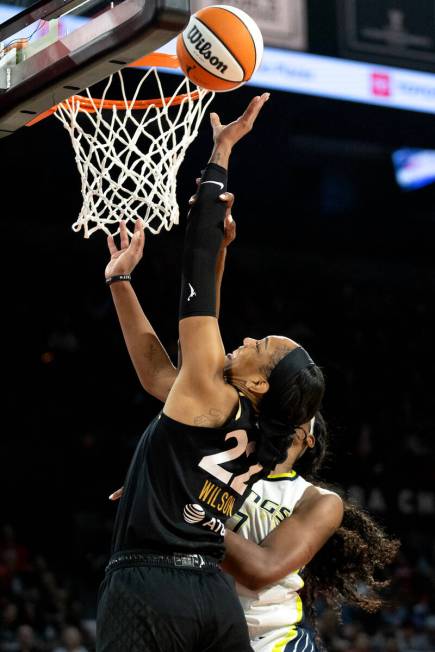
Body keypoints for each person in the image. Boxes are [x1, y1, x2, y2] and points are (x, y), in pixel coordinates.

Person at [97, 94, 325, 652]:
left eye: (261, 346)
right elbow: (157, 376)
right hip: (210, 599)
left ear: (258, 384)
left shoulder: (212, 394)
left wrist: (220, 155)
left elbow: (193, 281)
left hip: (151, 585)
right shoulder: (245, 422)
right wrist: (119, 281)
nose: (248, 338)